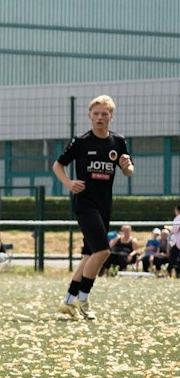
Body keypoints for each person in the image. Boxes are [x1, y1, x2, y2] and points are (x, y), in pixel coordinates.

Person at [53, 96, 134, 317]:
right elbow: (58, 165)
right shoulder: (81, 142)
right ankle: (83, 298)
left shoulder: (118, 142)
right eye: (96, 114)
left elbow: (128, 170)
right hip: (85, 204)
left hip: (105, 204)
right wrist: (69, 183)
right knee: (103, 251)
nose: (100, 117)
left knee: (90, 254)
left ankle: (68, 300)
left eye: (104, 114)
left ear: (111, 116)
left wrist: (127, 167)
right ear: (90, 116)